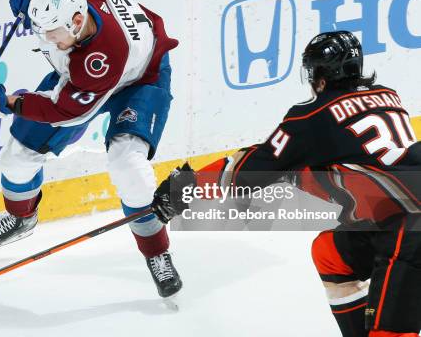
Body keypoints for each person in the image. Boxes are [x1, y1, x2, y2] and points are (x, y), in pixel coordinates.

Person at [0, 0, 182, 298]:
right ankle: (22, 218)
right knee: (16, 157)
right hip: (74, 79)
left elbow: (65, 112)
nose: (47, 40)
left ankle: (157, 252)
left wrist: (4, 103)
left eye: (53, 34)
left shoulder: (99, 60)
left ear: (77, 21)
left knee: (128, 166)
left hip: (141, 79)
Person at [153, 31, 421, 335]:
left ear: (320, 75)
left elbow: (252, 168)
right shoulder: (388, 95)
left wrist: (184, 187)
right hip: (395, 213)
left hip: (408, 227)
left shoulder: (313, 116)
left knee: (389, 332)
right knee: (330, 253)